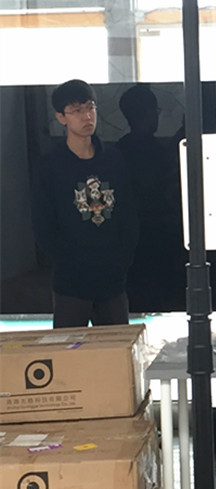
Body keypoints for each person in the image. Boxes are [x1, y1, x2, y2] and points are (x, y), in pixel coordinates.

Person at [31, 79, 139, 328]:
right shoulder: (50, 167)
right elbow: (43, 226)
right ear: (61, 117)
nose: (86, 116)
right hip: (71, 282)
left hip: (112, 280)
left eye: (90, 107)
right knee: (68, 348)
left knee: (116, 348)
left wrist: (122, 259)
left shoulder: (114, 160)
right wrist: (68, 261)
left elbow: (129, 214)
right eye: (77, 110)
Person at [117, 84, 186, 312]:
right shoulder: (152, 151)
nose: (156, 116)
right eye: (154, 111)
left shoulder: (119, 150)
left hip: (131, 236)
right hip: (155, 233)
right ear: (145, 114)